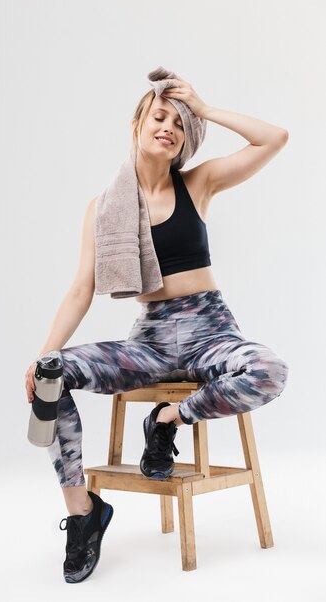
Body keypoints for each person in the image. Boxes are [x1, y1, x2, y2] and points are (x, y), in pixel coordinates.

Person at [24, 76, 289, 583]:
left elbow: (274, 138)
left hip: (211, 329)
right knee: (51, 376)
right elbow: (82, 288)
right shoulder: (103, 209)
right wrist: (44, 354)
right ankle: (84, 514)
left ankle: (168, 421)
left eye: (179, 124)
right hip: (148, 342)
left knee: (270, 370)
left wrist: (204, 108)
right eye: (158, 117)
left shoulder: (199, 184)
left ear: (188, 139)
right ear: (137, 125)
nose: (168, 128)